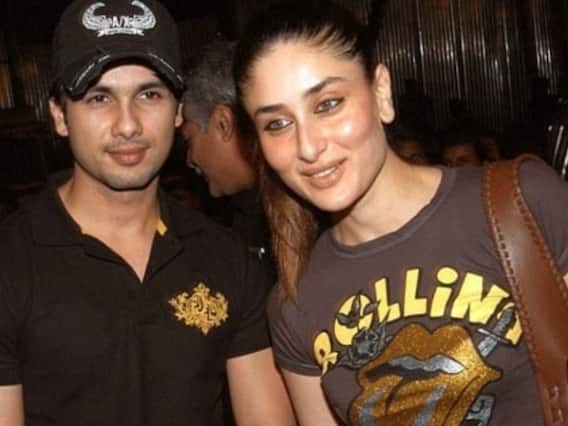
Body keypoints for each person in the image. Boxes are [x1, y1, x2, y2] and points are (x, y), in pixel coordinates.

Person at [233, 1, 568, 424]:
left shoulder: (523, 204)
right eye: (277, 124)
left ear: (381, 93)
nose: (309, 147)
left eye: (328, 104)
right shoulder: (294, 302)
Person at [0, 1, 294, 425]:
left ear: (178, 111)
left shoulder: (228, 260)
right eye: (99, 98)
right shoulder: (11, 264)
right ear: (59, 116)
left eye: (149, 94)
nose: (128, 125)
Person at [181, 40, 272, 263]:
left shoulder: (297, 212)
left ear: (223, 124)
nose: (189, 160)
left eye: (189, 141)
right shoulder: (249, 218)